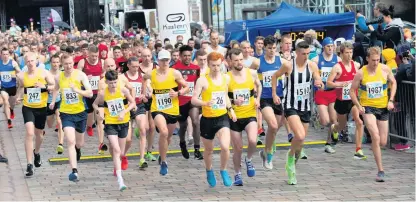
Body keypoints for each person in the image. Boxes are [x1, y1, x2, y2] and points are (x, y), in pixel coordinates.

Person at [271, 41, 324, 185]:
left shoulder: (312, 65)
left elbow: (318, 78)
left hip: (305, 107)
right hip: (290, 105)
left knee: (300, 146)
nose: (306, 56)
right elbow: (274, 76)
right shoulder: (288, 65)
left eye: (308, 54)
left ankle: (292, 166)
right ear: (296, 53)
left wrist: (320, 83)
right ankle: (289, 157)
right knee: (299, 136)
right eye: (303, 54)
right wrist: (275, 94)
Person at [349, 46, 397, 182]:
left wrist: (391, 100)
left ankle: (375, 148)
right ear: (367, 59)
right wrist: (358, 106)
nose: (376, 63)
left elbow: (393, 83)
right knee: (375, 137)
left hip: (383, 107)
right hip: (368, 107)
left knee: (382, 141)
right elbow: (352, 91)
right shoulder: (361, 73)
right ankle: (380, 170)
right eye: (373, 60)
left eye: (378, 60)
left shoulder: (385, 69)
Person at [191, 52, 235, 187]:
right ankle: (209, 170)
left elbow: (225, 96)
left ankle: (223, 170)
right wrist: (204, 103)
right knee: (209, 150)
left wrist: (230, 109)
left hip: (222, 117)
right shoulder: (202, 80)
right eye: (213, 65)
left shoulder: (226, 78)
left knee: (225, 147)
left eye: (218, 65)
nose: (216, 68)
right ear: (208, 65)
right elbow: (193, 99)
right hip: (207, 119)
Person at [142, 49, 189, 175]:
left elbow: (187, 87)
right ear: (158, 60)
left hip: (172, 109)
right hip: (157, 108)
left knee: (167, 137)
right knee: (163, 132)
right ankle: (163, 162)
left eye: (167, 60)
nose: (164, 62)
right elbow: (144, 78)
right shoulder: (152, 73)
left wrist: (178, 93)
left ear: (170, 60)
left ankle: (162, 155)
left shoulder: (175, 73)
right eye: (162, 60)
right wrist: (144, 92)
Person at [50, 54, 93, 182]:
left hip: (80, 112)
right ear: (62, 65)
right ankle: (74, 171)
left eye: (70, 63)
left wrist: (77, 91)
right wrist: (53, 101)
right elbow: (56, 88)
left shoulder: (80, 75)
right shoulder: (59, 76)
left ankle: (78, 150)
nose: (68, 66)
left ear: (73, 63)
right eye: (65, 64)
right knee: (70, 141)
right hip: (66, 112)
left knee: (79, 143)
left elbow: (90, 93)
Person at [93, 70, 135, 191]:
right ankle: (120, 180)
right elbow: (95, 104)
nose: (113, 85)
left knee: (120, 153)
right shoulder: (103, 93)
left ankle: (117, 166)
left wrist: (124, 111)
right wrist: (99, 111)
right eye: (111, 83)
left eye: (115, 82)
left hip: (123, 123)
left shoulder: (123, 90)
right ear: (106, 82)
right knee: (116, 150)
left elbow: (132, 103)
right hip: (110, 123)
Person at [16, 52, 55, 177]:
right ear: (25, 63)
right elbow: (22, 87)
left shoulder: (44, 73)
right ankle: (29, 164)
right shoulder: (22, 75)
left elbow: (54, 86)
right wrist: (18, 97)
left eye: (32, 61)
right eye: (27, 61)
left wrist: (44, 86)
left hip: (41, 108)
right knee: (29, 133)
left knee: (39, 135)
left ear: (36, 61)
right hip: (28, 107)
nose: (30, 63)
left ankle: (36, 152)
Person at [227, 48, 262, 186]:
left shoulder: (252, 73)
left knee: (253, 141)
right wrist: (232, 102)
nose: (239, 62)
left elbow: (259, 86)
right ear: (230, 61)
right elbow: (223, 96)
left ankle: (248, 159)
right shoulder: (227, 77)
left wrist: (257, 99)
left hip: (249, 113)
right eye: (236, 60)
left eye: (241, 59)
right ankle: (237, 174)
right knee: (238, 148)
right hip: (234, 116)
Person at [326, 42, 366, 160]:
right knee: (341, 126)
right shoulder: (337, 67)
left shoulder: (357, 65)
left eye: (351, 52)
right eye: (347, 53)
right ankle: (334, 129)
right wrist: (340, 84)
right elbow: (328, 83)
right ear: (341, 54)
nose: (349, 55)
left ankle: (358, 150)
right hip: (341, 100)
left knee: (359, 121)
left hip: (353, 99)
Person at [253, 36, 284, 170]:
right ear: (264, 48)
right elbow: (247, 75)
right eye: (269, 48)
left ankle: (265, 152)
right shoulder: (258, 62)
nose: (272, 50)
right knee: (272, 125)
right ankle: (269, 155)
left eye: (274, 48)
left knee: (275, 128)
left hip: (278, 98)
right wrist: (254, 90)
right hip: (265, 98)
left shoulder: (281, 61)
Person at [172, 45, 203, 160]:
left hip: (192, 100)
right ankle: (182, 143)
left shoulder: (196, 68)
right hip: (179, 101)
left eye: (189, 56)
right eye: (184, 56)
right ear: (180, 56)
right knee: (183, 125)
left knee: (195, 122)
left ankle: (197, 149)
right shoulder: (174, 68)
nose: (187, 58)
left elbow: (197, 83)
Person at [311, 37, 341, 154]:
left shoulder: (337, 59)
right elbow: (311, 73)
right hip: (321, 93)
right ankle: (318, 118)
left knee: (334, 120)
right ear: (323, 47)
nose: (330, 48)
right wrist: (316, 81)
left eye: (332, 46)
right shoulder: (316, 59)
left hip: (333, 92)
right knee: (325, 121)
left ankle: (328, 143)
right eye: (328, 46)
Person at [123, 57, 149, 168]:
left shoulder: (142, 77)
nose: (135, 69)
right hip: (127, 107)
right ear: (128, 65)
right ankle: (122, 155)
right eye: (133, 66)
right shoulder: (123, 77)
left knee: (143, 130)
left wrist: (144, 96)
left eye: (137, 66)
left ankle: (142, 159)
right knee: (128, 139)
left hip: (139, 105)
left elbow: (144, 94)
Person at [77, 45, 104, 138]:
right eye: (92, 56)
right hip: (87, 92)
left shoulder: (102, 62)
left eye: (96, 56)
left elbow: (106, 75)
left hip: (99, 92)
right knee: (89, 112)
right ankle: (89, 126)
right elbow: (77, 77)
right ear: (88, 54)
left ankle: (102, 130)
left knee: (100, 112)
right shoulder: (82, 62)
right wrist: (84, 79)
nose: (94, 58)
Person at [139, 48, 157, 162]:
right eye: (144, 56)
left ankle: (149, 151)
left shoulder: (156, 67)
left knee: (152, 127)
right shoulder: (138, 67)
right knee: (144, 128)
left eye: (149, 56)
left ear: (152, 56)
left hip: (153, 98)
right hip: (142, 99)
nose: (147, 58)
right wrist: (142, 94)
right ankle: (139, 131)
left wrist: (153, 93)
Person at [46, 54, 64, 154]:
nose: (56, 64)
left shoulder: (62, 74)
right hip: (48, 102)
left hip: (59, 100)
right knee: (49, 124)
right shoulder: (46, 74)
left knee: (59, 121)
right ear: (50, 63)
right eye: (54, 62)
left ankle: (60, 144)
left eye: (57, 62)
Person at [0, 48, 21, 129]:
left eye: (6, 54)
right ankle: (9, 121)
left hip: (12, 87)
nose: (5, 56)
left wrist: (16, 73)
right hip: (3, 87)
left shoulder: (13, 62)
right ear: (1, 55)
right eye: (4, 54)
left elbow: (19, 71)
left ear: (9, 55)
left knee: (12, 104)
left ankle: (11, 110)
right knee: (5, 101)